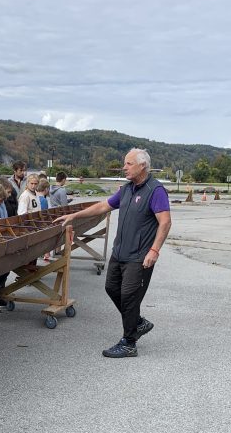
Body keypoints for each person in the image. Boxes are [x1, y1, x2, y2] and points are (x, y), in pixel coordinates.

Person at [54, 148, 172, 358]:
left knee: (129, 296)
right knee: (111, 288)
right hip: (120, 253)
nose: (124, 167)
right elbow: (103, 206)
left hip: (139, 256)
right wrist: (74, 216)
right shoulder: (127, 189)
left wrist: (154, 250)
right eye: (124, 163)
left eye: (128, 163)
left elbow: (165, 222)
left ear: (142, 165)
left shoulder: (155, 191)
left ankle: (129, 342)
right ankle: (137, 323)